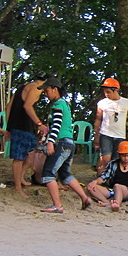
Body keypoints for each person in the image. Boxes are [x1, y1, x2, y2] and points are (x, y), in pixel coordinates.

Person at [37, 77, 91, 214]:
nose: (45, 94)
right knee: (65, 174)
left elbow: (56, 125)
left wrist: (50, 142)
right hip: (69, 143)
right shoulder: (64, 104)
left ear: (55, 89)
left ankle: (57, 205)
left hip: (60, 143)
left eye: (47, 90)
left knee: (48, 174)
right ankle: (85, 198)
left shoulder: (57, 105)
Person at [6, 75, 47, 197]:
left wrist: (8, 126)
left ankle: (21, 177)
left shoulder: (21, 87)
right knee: (19, 158)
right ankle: (18, 187)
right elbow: (27, 106)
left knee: (32, 154)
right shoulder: (36, 88)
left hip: (19, 126)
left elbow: (8, 107)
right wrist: (39, 124)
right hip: (22, 126)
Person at [86, 140, 128, 212]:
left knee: (118, 186)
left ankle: (116, 204)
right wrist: (95, 182)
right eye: (123, 155)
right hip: (114, 190)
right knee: (91, 187)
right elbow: (104, 177)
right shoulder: (113, 164)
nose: (126, 158)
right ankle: (107, 202)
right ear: (119, 155)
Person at [93, 78, 128, 175]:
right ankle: (100, 179)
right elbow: (98, 120)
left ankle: (112, 181)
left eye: (108, 92)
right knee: (105, 159)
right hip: (106, 134)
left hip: (120, 136)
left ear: (116, 90)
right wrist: (96, 135)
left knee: (117, 160)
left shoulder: (127, 103)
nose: (106, 94)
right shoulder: (102, 103)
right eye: (105, 92)